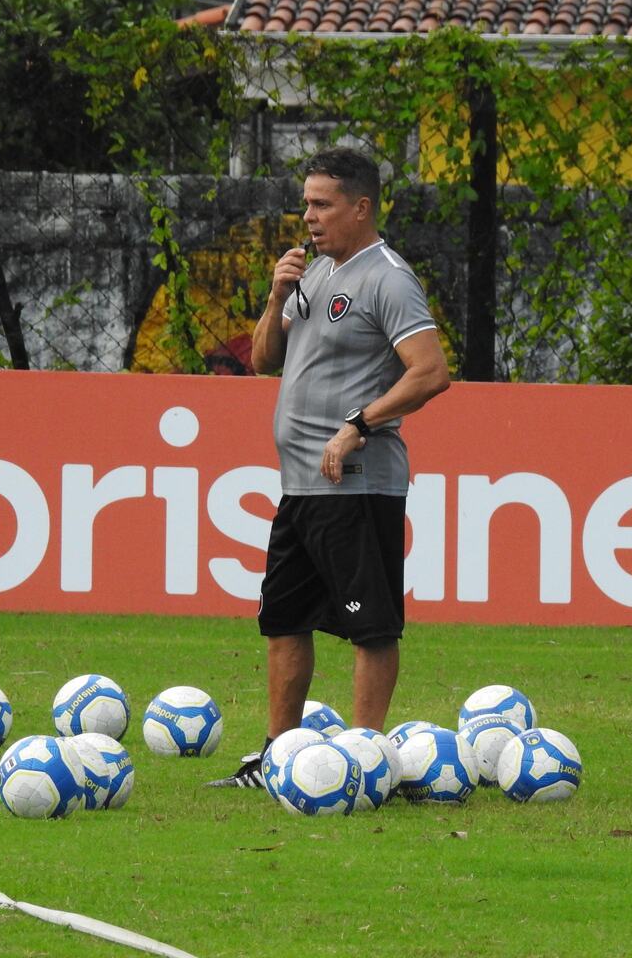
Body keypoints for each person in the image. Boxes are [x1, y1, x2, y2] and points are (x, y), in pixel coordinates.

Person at [208, 147, 450, 788]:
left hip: (357, 484)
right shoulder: (311, 274)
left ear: (361, 207)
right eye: (306, 203)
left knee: (371, 627)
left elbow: (431, 372)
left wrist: (359, 425)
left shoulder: (388, 277)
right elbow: (263, 360)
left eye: (322, 204)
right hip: (300, 487)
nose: (308, 217)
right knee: (284, 621)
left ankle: (367, 761)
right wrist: (275, 296)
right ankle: (275, 760)